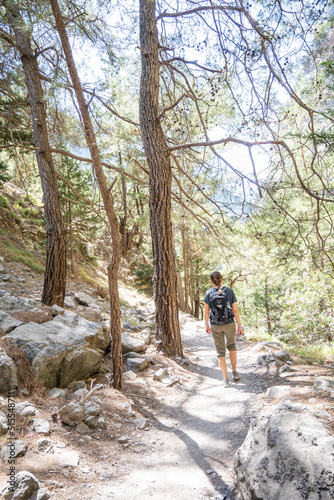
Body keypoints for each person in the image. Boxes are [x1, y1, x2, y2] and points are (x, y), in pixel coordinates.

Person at [204, 271, 243, 387]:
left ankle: (225, 379)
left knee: (220, 352)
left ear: (212, 281)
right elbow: (235, 310)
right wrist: (239, 325)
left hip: (215, 325)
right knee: (232, 347)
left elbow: (206, 312)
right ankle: (234, 372)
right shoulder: (229, 292)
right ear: (222, 279)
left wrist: (206, 324)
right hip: (229, 323)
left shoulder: (208, 293)